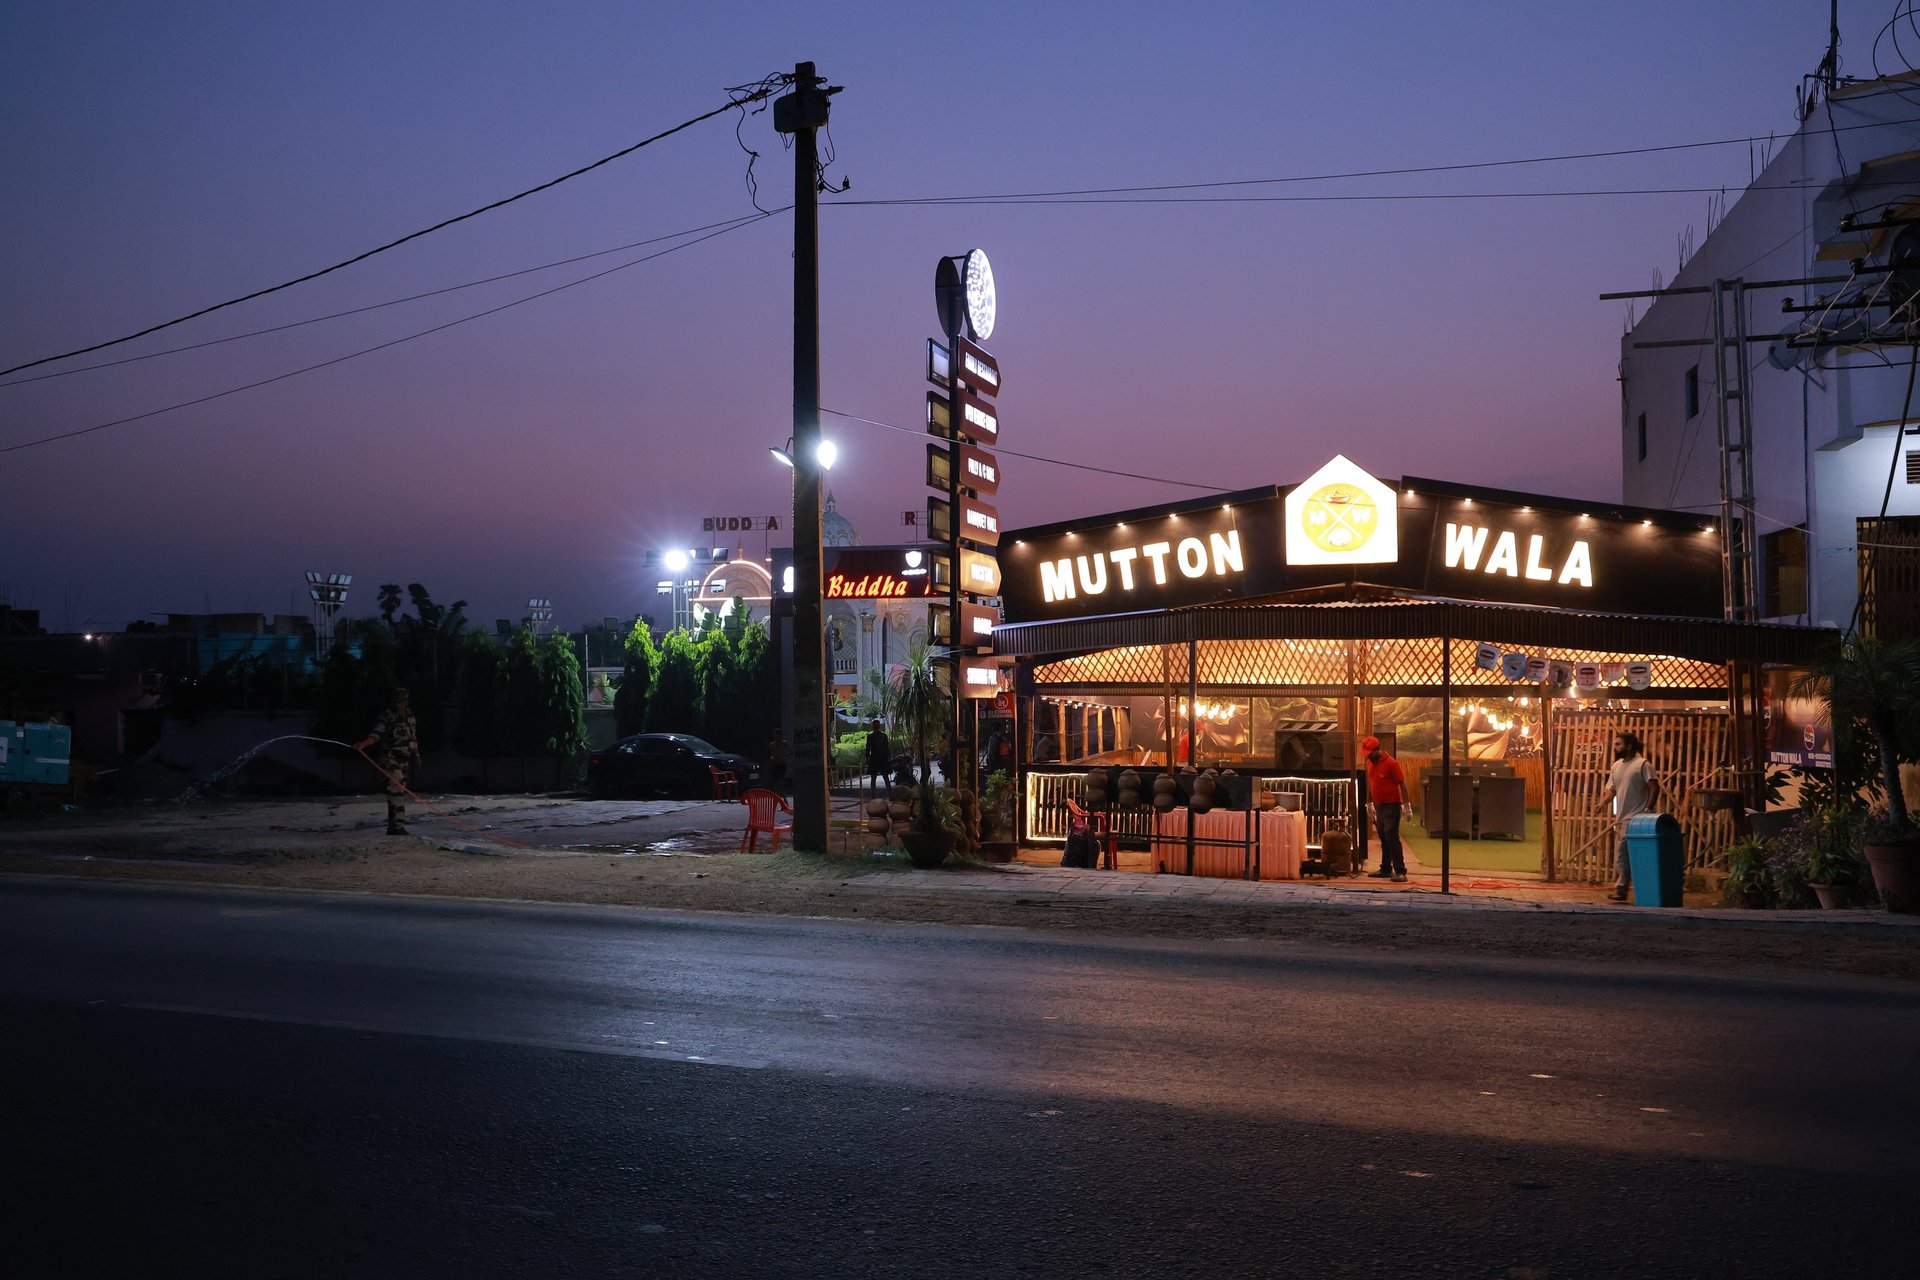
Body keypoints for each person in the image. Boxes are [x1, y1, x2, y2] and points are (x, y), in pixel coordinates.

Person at [1599, 730, 1659, 902]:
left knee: (1622, 854)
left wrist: (1648, 809)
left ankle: (1622, 888)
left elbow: (1654, 786)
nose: (1615, 747)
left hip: (1637, 817)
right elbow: (1612, 790)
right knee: (1631, 855)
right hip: (1622, 818)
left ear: (1629, 746)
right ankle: (1635, 887)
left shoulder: (1642, 764)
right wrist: (1603, 803)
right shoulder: (1617, 766)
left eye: (1618, 744)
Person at [354, 687, 420, 836]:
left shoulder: (410, 715)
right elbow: (377, 734)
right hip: (391, 758)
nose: (400, 705)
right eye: (397, 701)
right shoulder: (387, 716)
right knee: (395, 792)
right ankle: (398, 827)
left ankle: (394, 826)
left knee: (399, 792)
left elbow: (413, 736)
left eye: (402, 701)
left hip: (404, 758)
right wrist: (363, 744)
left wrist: (417, 755)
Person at [1361, 734, 1408, 883]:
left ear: (1377, 750)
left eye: (1370, 753)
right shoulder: (1370, 763)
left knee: (1391, 836)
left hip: (1392, 805)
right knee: (1383, 836)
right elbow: (1371, 784)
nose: (1368, 756)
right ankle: (1386, 868)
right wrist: (1369, 803)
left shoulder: (1391, 763)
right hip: (1379, 805)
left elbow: (1402, 784)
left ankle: (1400, 871)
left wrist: (1406, 805)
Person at [863, 719, 891, 790]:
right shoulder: (884, 736)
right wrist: (888, 757)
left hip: (874, 758)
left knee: (873, 778)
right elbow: (886, 748)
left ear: (872, 727)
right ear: (879, 726)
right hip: (882, 758)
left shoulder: (870, 736)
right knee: (886, 777)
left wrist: (867, 758)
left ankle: (873, 796)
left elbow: (868, 748)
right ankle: (890, 795)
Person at [767, 729, 791, 793]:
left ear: (780, 736)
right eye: (776, 737)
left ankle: (784, 797)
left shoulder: (784, 743)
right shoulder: (771, 745)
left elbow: (790, 752)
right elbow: (771, 754)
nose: (777, 738)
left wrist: (785, 755)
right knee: (774, 781)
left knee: (780, 781)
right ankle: (777, 794)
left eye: (778, 736)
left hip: (782, 764)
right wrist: (772, 757)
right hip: (775, 764)